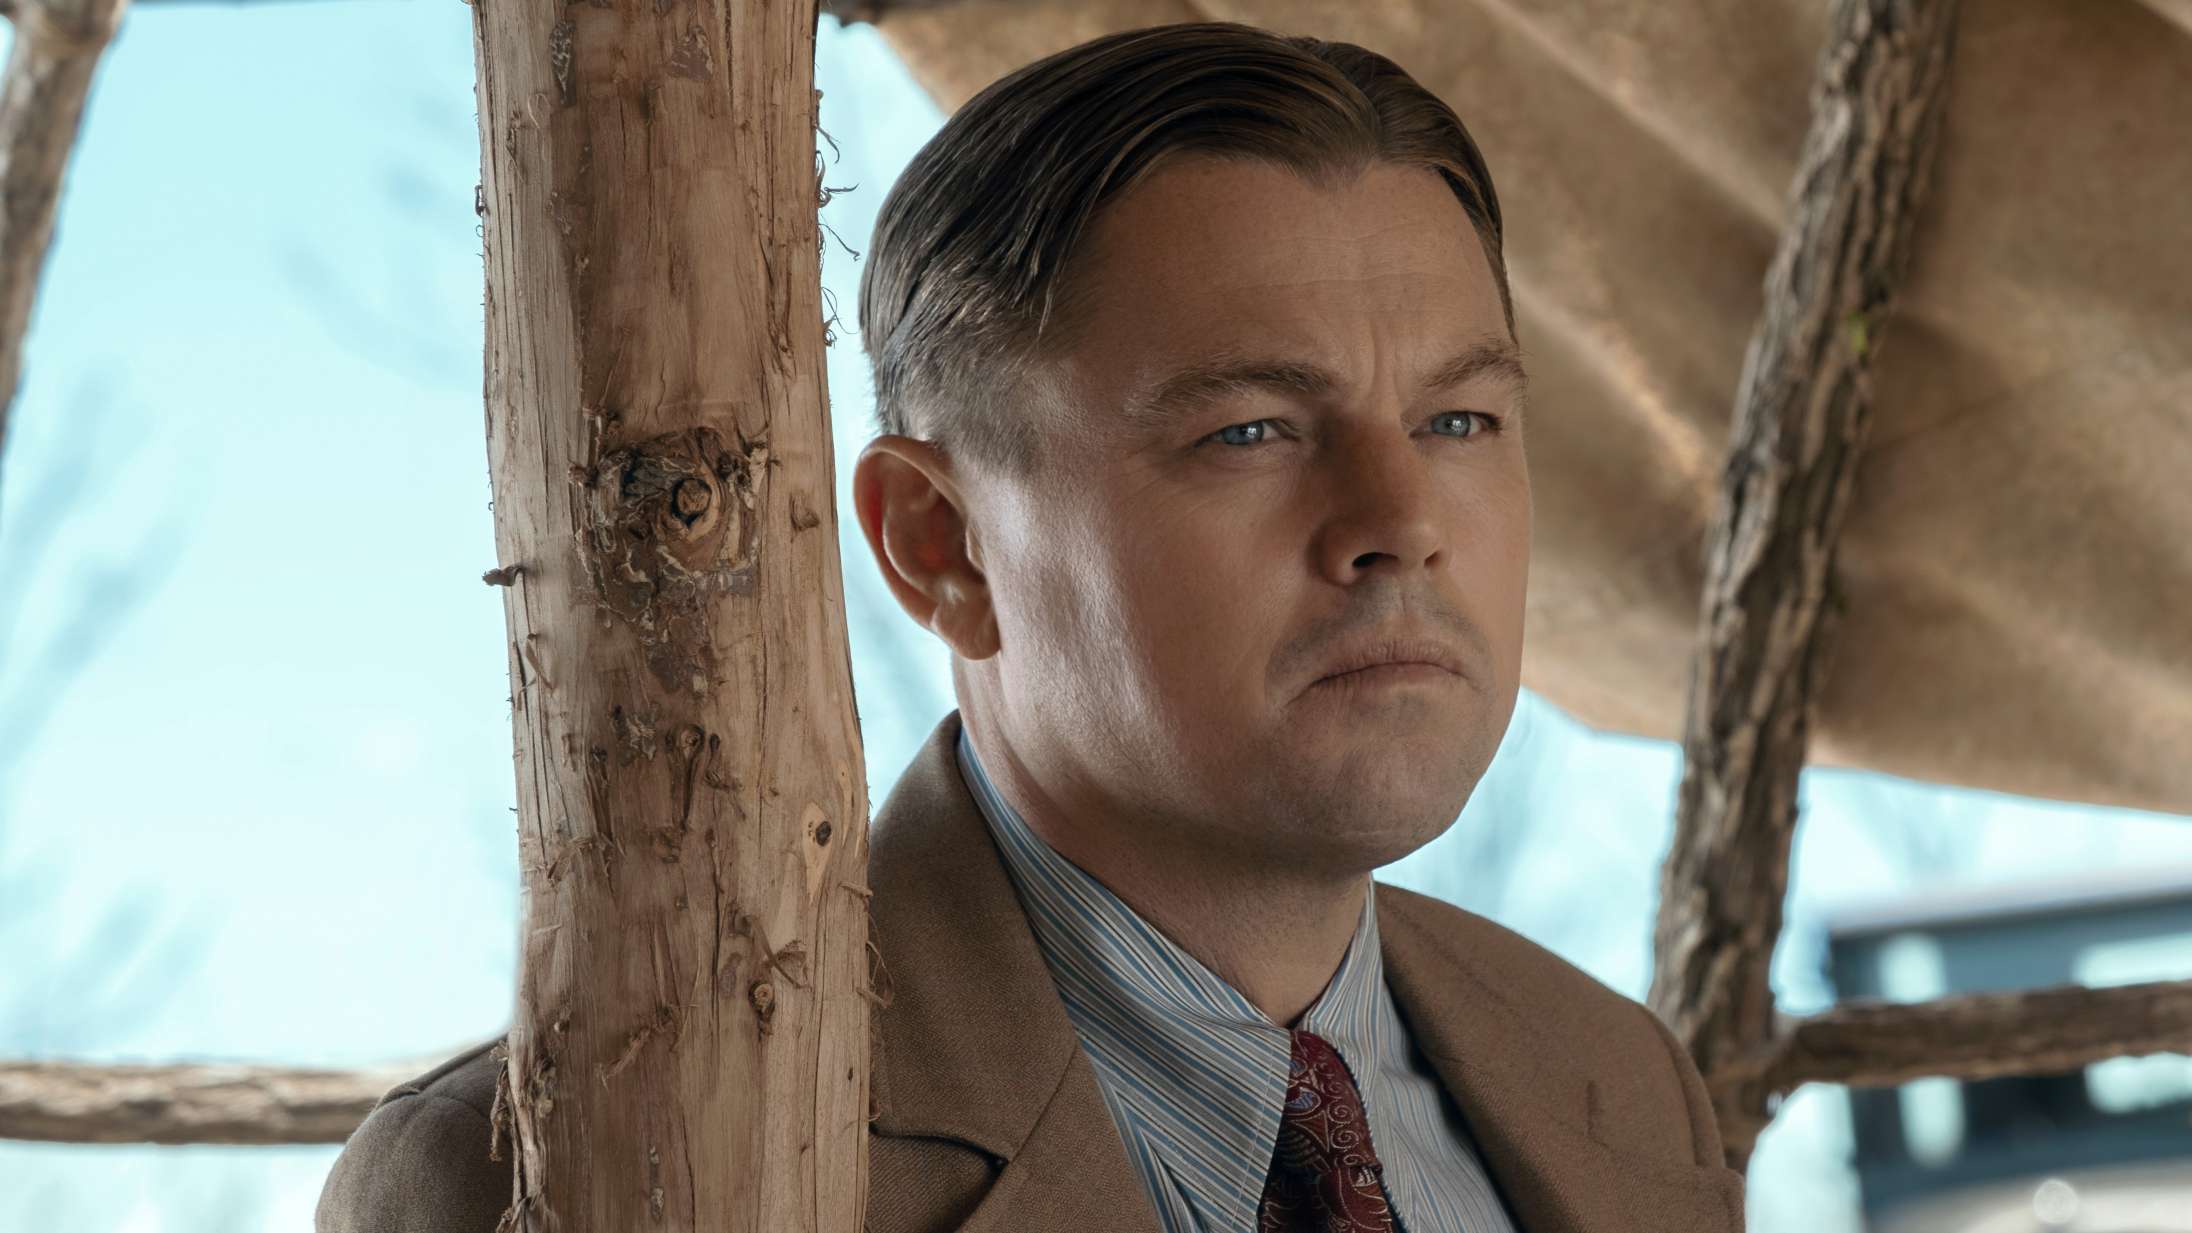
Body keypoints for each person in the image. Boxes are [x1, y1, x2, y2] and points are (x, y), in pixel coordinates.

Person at [317, 21, 1745, 1233]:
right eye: (1249, 429)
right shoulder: (548, 1179)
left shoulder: (1618, 1086)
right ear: (940, 544)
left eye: (1460, 420)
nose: (1401, 519)